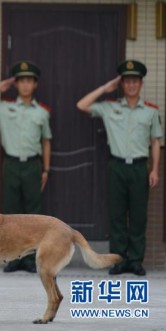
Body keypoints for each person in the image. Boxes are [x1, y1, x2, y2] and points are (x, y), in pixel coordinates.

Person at [76, 60, 162, 276]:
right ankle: (118, 260)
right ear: (122, 84)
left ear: (141, 84)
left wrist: (155, 170)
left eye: (135, 81)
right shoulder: (110, 107)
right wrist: (106, 88)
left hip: (140, 168)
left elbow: (155, 141)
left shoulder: (150, 111)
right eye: (127, 81)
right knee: (116, 215)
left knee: (138, 215)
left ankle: (135, 261)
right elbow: (82, 105)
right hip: (117, 167)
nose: (131, 85)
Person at [0, 61, 52, 273]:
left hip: (33, 164)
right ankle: (13, 259)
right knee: (10, 215)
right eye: (21, 81)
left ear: (35, 85)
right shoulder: (4, 107)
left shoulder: (41, 112)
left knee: (34, 214)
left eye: (29, 81)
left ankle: (31, 259)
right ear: (16, 84)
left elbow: (46, 141)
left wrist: (46, 169)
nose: (25, 85)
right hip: (12, 164)